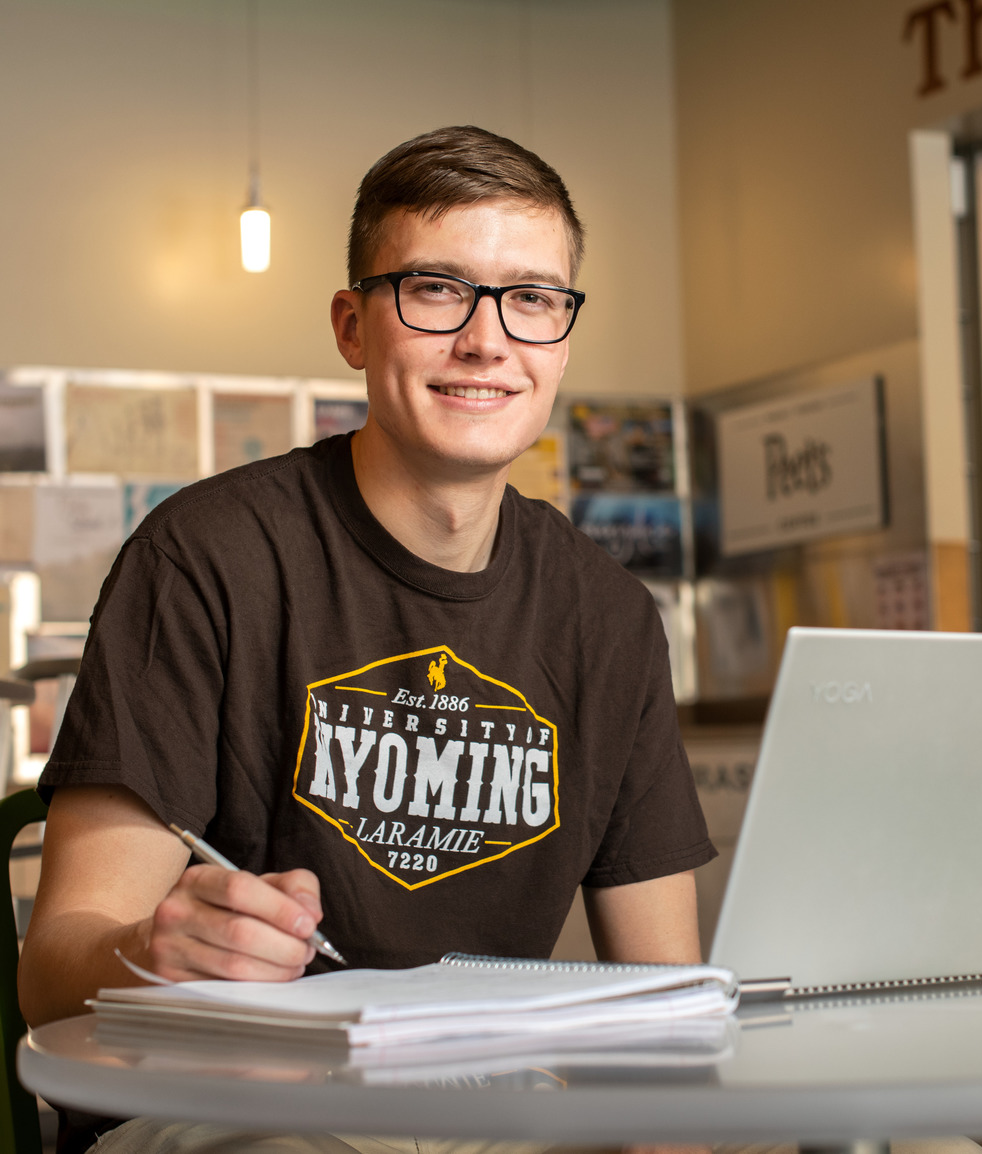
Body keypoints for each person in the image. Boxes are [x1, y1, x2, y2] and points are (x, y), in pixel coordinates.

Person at [18, 125, 716, 1152]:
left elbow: (664, 1016)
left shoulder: (607, 614)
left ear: (561, 336)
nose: (488, 340)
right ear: (352, 325)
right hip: (241, 1103)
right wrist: (151, 948)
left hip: (501, 1104)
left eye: (531, 298)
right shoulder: (206, 554)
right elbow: (52, 971)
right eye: (436, 289)